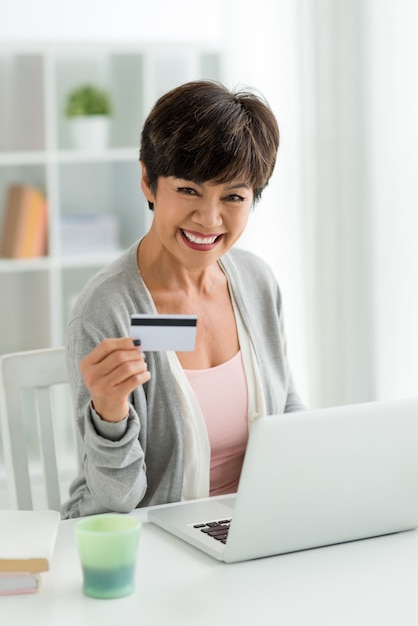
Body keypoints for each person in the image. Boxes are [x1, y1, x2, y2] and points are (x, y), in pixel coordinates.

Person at [61, 80, 305, 519]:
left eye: (233, 197)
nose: (209, 219)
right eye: (189, 190)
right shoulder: (107, 309)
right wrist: (110, 415)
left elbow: (286, 405)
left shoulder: (256, 282)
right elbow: (117, 501)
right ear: (148, 182)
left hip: (247, 528)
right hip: (145, 540)